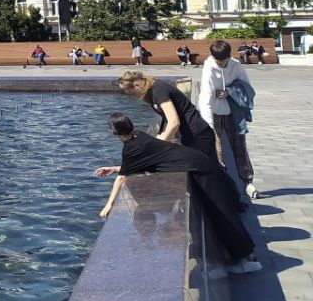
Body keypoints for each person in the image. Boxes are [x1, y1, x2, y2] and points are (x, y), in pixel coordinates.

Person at [94, 112, 261, 273]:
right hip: (198, 163)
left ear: (115, 132)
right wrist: (114, 169)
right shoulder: (138, 136)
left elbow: (122, 178)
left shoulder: (131, 148)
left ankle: (249, 260)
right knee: (219, 212)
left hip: (199, 169)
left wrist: (108, 206)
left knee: (222, 213)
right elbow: (138, 162)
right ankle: (243, 257)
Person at [200, 40, 258, 200]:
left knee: (240, 146)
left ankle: (248, 182)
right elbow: (205, 96)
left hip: (233, 112)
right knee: (217, 147)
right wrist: (209, 125)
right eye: (217, 60)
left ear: (228, 56)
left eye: (223, 60)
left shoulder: (236, 65)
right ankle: (225, 185)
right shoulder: (209, 68)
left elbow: (247, 87)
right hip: (216, 111)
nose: (220, 63)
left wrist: (229, 91)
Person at [116, 70, 216, 161]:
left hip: (198, 136)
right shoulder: (152, 93)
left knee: (207, 169)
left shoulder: (159, 90)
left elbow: (174, 122)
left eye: (133, 93)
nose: (134, 97)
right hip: (188, 135)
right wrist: (158, 139)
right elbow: (167, 120)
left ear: (137, 85)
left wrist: (158, 147)